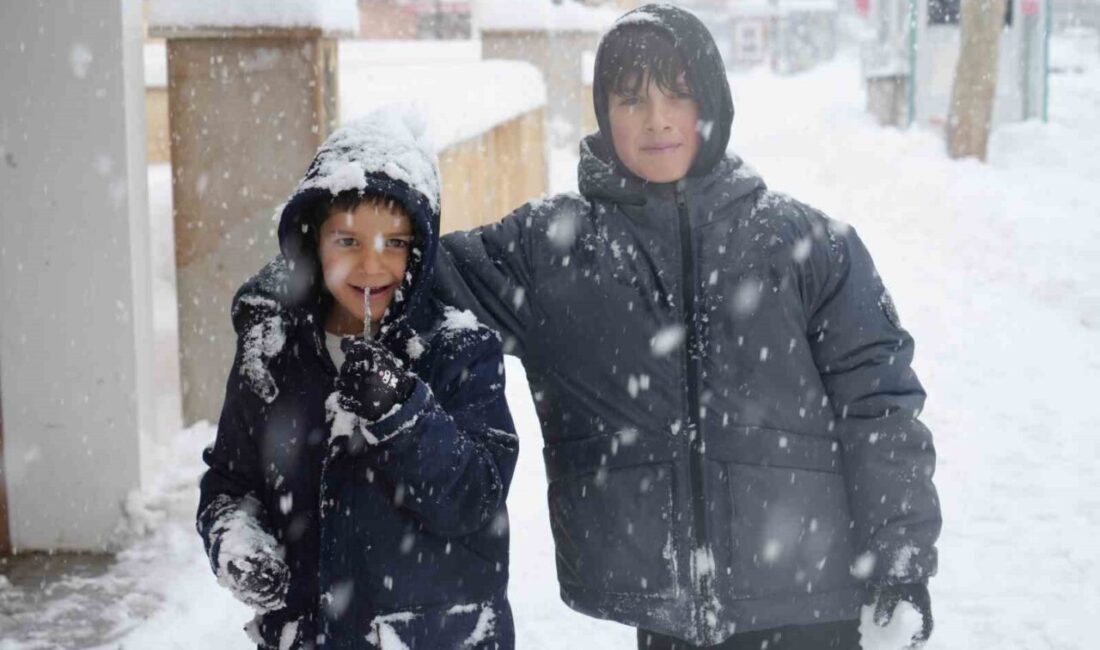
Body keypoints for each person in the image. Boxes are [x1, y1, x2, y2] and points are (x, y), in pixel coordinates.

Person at [433, 5, 941, 649]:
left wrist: (899, 564)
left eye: (679, 93)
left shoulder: (808, 246)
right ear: (603, 112)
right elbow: (397, 273)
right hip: (672, 620)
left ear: (714, 103)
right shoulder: (550, 251)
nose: (657, 119)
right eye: (630, 98)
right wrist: (340, 220)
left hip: (816, 605)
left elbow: (881, 407)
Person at [197, 108, 519, 650]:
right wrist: (235, 540)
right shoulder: (273, 348)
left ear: (420, 251)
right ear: (312, 242)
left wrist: (403, 412)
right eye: (347, 241)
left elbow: (474, 498)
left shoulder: (458, 349)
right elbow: (230, 484)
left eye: (394, 243)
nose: (372, 267)